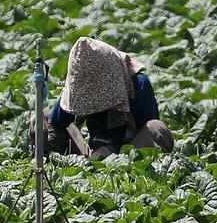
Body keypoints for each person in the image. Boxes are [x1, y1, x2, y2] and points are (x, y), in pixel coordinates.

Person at [41, 37, 173, 159]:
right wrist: (62, 155)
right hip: (92, 157)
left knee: (156, 128)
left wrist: (113, 151)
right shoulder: (80, 88)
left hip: (130, 155)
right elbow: (56, 122)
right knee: (42, 119)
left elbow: (147, 135)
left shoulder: (137, 84)